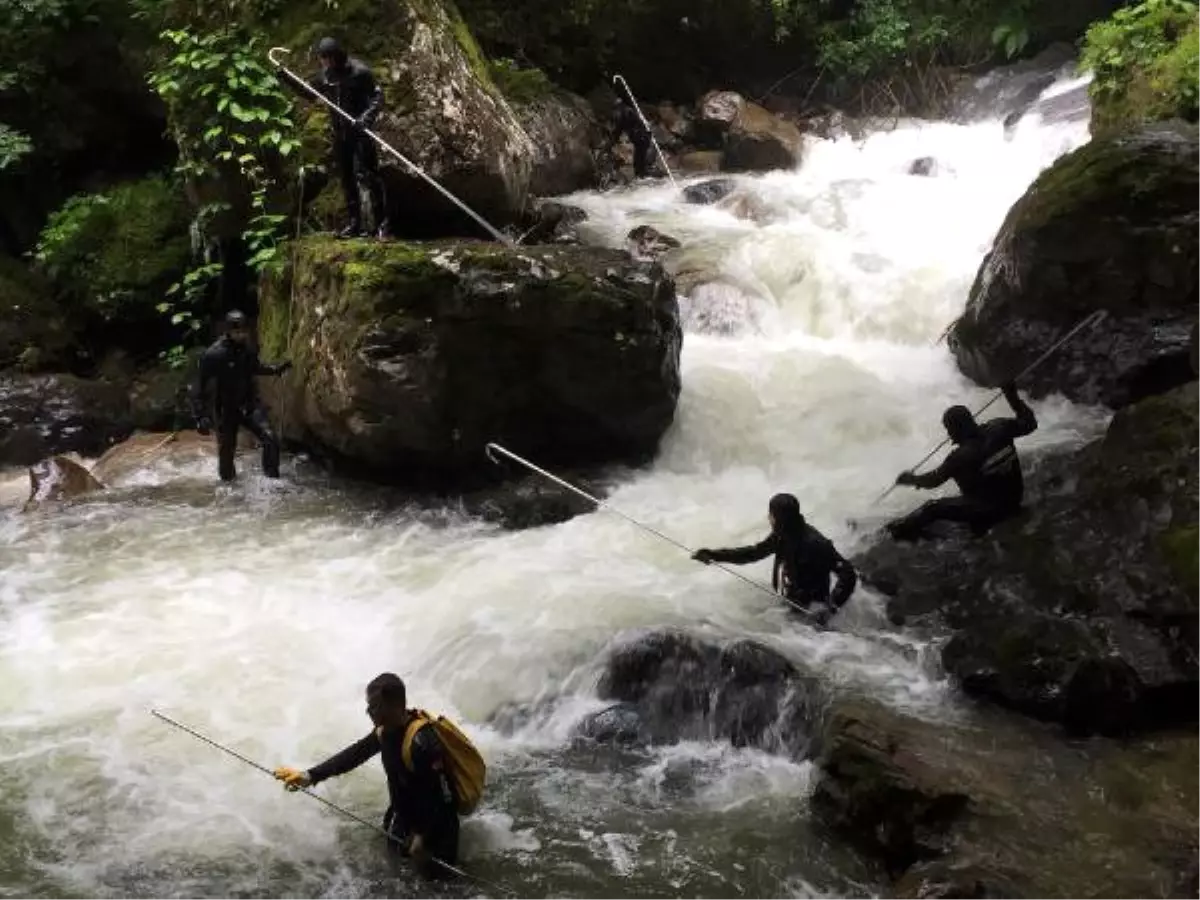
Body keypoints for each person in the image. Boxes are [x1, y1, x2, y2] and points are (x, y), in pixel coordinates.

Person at [273, 673, 461, 877]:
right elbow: (353, 755)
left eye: (374, 706)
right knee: (396, 880)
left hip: (437, 829)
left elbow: (444, 798)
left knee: (438, 887)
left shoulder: (422, 742)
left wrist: (423, 837)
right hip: (404, 821)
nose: (368, 712)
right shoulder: (384, 732)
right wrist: (309, 776)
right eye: (368, 706)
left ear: (395, 705)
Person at [886, 382, 1037, 542]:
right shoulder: (1000, 427)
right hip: (1014, 500)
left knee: (932, 508)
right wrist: (1012, 397)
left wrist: (910, 479)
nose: (949, 434)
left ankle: (898, 534)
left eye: (948, 429)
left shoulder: (959, 457)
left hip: (989, 511)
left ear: (955, 429)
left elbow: (933, 480)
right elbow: (1029, 423)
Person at [278, 37, 389, 239]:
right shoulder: (325, 76)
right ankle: (355, 223)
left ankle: (382, 223)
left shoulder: (359, 72)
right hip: (340, 132)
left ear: (336, 56)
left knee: (370, 176)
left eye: (327, 58)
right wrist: (287, 78)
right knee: (347, 179)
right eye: (322, 59)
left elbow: (377, 96)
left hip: (360, 131)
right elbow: (308, 93)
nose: (324, 63)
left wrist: (366, 117)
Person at [692, 493, 857, 624]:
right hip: (793, 605)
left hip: (813, 611)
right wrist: (714, 556)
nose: (768, 518)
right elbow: (752, 553)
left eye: (771, 515)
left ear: (780, 518)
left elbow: (848, 573)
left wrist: (830, 608)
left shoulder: (816, 543)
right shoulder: (782, 535)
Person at [190, 310, 291, 482]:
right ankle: (228, 488)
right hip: (226, 409)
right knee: (227, 453)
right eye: (237, 332)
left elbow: (254, 367)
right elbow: (198, 386)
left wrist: (275, 370)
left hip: (249, 404)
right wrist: (200, 416)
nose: (241, 335)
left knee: (270, 439)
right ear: (228, 332)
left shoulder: (247, 348)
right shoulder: (214, 355)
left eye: (244, 331)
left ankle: (272, 482)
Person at [610, 78, 654, 179]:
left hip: (642, 137)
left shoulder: (627, 113)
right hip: (640, 138)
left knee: (639, 159)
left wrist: (613, 140)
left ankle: (642, 175)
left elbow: (619, 128)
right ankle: (641, 175)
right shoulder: (626, 113)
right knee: (638, 159)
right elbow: (619, 130)